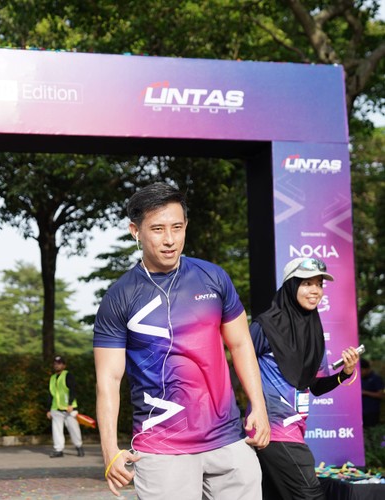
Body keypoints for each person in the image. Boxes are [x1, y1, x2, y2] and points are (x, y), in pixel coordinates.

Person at [93, 182, 270, 499]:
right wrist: (109, 450)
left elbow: (241, 344)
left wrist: (258, 405)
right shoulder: (119, 297)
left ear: (186, 225)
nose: (169, 239)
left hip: (229, 440)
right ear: (135, 231)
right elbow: (109, 379)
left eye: (177, 227)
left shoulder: (214, 277)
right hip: (161, 449)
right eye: (157, 229)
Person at [248, 257, 360, 500]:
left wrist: (345, 373)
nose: (315, 290)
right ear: (291, 285)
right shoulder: (264, 326)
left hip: (295, 430)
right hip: (273, 432)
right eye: (307, 283)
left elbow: (316, 386)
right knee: (311, 496)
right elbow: (239, 366)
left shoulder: (314, 333)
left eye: (319, 284)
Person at [46, 355, 85, 458]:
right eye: (55, 364)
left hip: (69, 408)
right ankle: (58, 450)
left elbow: (73, 390)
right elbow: (50, 394)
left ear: (64, 365)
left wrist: (70, 404)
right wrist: (48, 409)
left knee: (74, 429)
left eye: (59, 363)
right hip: (56, 408)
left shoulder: (68, 375)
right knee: (56, 430)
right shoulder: (52, 378)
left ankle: (79, 446)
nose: (56, 365)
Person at [361, 358, 384, 427]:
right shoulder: (360, 378)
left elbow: (381, 395)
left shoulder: (376, 378)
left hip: (372, 412)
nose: (360, 372)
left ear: (367, 369)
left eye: (361, 370)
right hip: (361, 411)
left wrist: (365, 392)